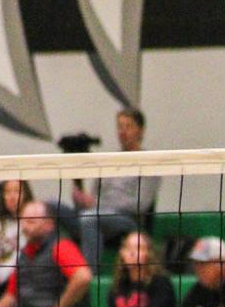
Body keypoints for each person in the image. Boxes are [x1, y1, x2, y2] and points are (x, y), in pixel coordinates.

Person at [63, 110, 158, 269]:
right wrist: (80, 195)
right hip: (97, 215)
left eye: (128, 126)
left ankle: (89, 277)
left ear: (140, 130)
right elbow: (91, 201)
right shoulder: (109, 160)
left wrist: (98, 205)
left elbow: (140, 204)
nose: (123, 131)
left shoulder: (149, 162)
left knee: (89, 219)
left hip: (128, 221)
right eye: (120, 127)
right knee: (52, 208)